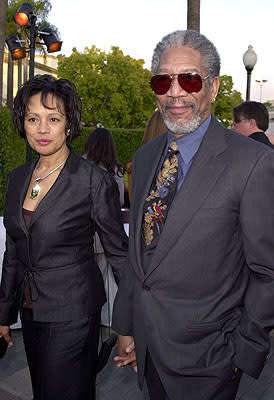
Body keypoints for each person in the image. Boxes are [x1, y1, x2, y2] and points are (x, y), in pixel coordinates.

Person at [112, 30, 274, 400]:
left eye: (188, 79)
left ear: (213, 88)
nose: (174, 92)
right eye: (162, 80)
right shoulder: (148, 156)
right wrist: (126, 326)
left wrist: (239, 353)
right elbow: (141, 258)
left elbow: (268, 272)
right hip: (149, 353)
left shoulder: (253, 164)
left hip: (211, 364)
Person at [0, 74, 128, 400]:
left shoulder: (91, 181)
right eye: (33, 119)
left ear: (68, 124)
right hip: (32, 312)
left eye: (53, 119)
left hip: (74, 314)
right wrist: (3, 315)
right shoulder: (17, 179)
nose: (43, 129)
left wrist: (129, 324)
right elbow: (14, 250)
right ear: (23, 123)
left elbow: (119, 255)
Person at [83, 127, 125, 326]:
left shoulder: (78, 166)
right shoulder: (115, 171)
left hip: (81, 234)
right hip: (104, 237)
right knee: (102, 282)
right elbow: (119, 203)